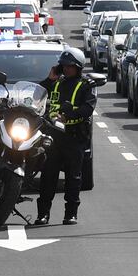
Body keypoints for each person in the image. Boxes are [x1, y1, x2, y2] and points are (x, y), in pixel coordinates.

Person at [35, 50, 97, 226]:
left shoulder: (85, 85)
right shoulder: (55, 83)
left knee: (73, 177)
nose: (67, 69)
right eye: (64, 66)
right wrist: (50, 79)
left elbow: (87, 109)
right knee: (48, 176)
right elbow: (36, 95)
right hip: (53, 137)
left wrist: (69, 115)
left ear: (78, 67)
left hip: (74, 136)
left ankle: (71, 214)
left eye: (71, 66)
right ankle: (43, 215)